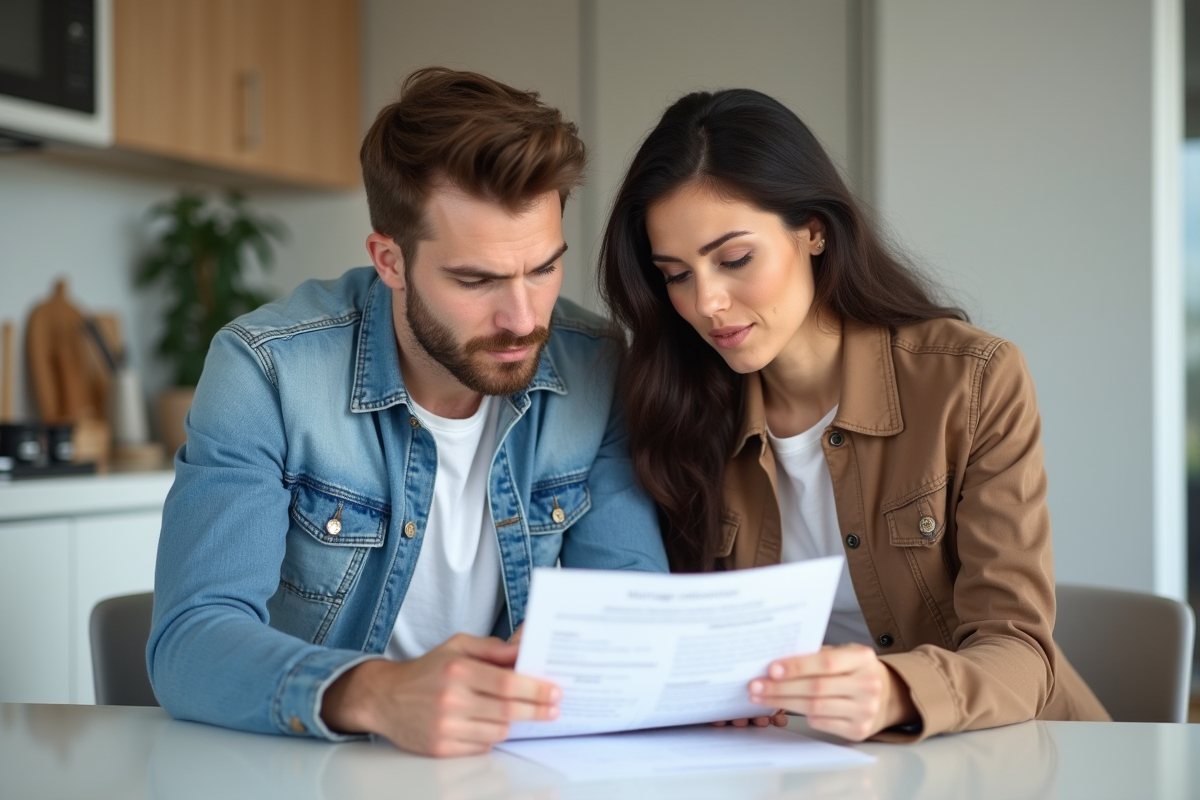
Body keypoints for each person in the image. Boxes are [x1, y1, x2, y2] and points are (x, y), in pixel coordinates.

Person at [148, 68, 667, 757]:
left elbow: (634, 608)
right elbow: (191, 640)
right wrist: (378, 694)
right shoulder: (268, 369)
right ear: (389, 261)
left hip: (509, 768)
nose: (522, 318)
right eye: (476, 279)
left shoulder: (595, 363)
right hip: (313, 771)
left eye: (543, 269)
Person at [599, 88, 1110, 743]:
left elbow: (1019, 651)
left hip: (1003, 757)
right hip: (794, 760)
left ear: (813, 229)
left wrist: (895, 690)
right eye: (675, 274)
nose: (707, 303)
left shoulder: (974, 381)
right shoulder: (677, 409)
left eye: (734, 260)